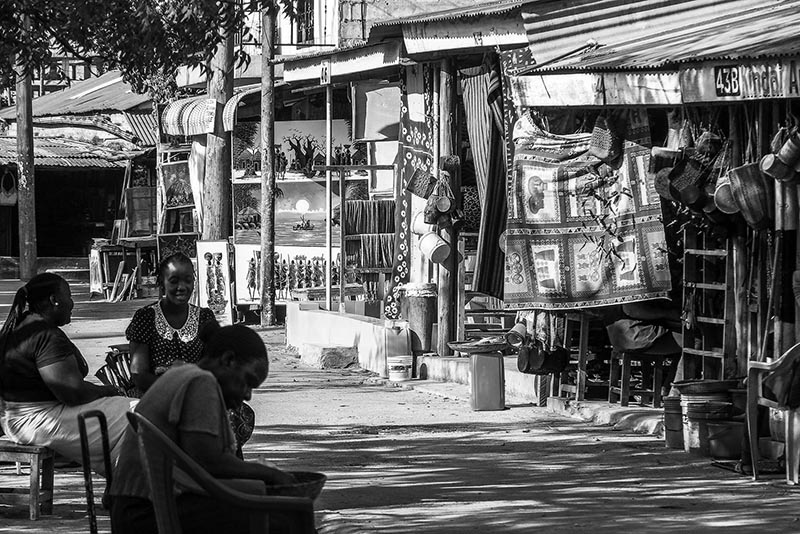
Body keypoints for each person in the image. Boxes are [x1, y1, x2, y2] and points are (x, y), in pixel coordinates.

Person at [110, 324, 297, 534]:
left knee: (266, 504)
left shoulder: (185, 374)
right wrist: (271, 474)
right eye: (248, 382)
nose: (247, 395)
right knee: (287, 516)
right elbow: (209, 462)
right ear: (228, 360)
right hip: (147, 514)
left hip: (135, 510)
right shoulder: (201, 382)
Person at [0, 273, 136, 476]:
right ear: (55, 300)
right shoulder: (44, 335)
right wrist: (107, 391)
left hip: (17, 419)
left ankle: (122, 483)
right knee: (139, 414)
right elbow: (73, 394)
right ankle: (126, 487)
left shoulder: (23, 326)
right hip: (35, 420)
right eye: (69, 297)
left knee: (126, 420)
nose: (72, 303)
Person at [126, 252, 254, 455]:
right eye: (174, 281)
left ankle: (224, 478)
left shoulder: (204, 317)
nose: (181, 287)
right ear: (162, 282)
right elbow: (139, 374)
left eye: (188, 280)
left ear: (194, 281)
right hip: (153, 392)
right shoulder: (146, 318)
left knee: (230, 414)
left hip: (196, 391)